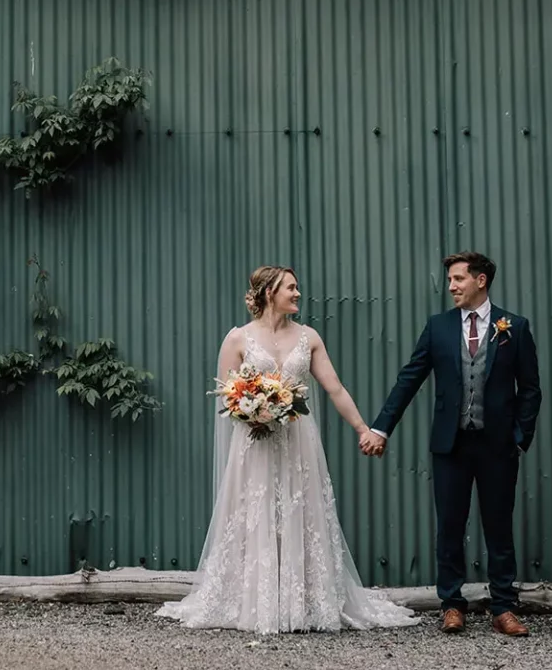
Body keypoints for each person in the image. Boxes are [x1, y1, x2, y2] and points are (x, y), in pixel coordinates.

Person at [156, 265, 419, 634]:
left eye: (297, 288)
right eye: (290, 288)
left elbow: (335, 389)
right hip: (254, 442)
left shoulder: (308, 337)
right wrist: (252, 411)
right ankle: (254, 599)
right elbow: (225, 398)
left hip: (298, 440)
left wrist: (363, 429)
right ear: (269, 293)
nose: (297, 293)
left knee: (301, 511)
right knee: (256, 513)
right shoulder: (238, 339)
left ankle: (305, 600)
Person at [362, 251, 542, 636]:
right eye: (449, 281)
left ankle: (504, 607)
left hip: (497, 447)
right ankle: (451, 604)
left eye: (458, 279)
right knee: (449, 526)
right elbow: (409, 378)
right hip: (450, 445)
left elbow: (530, 390)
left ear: (481, 281)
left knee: (498, 527)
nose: (451, 287)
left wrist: (519, 438)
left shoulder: (515, 327)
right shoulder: (438, 327)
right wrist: (381, 427)